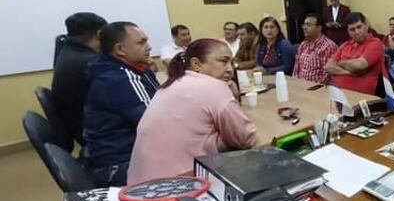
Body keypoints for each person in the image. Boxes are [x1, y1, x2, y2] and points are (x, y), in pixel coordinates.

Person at [127, 39, 257, 185]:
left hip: (137, 188)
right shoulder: (214, 87)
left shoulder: (171, 84)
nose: (230, 69)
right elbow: (245, 139)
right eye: (223, 61)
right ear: (196, 64)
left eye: (231, 62)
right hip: (177, 188)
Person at [83, 22, 160, 186]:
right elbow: (155, 125)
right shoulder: (119, 78)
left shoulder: (135, 68)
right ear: (120, 50)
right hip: (119, 165)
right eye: (141, 43)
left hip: (123, 154)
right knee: (198, 160)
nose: (149, 47)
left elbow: (162, 99)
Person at [51, 12, 107, 144]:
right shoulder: (89, 62)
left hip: (76, 124)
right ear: (100, 34)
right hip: (93, 131)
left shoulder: (67, 50)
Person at [325, 12, 385, 95]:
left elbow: (359, 65)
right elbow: (328, 67)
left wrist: (339, 63)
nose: (357, 32)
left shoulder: (375, 43)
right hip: (336, 93)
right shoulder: (345, 45)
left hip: (359, 97)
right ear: (348, 31)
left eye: (359, 27)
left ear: (366, 26)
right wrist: (350, 72)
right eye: (352, 29)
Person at [293, 13, 338, 84]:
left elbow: (327, 75)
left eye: (308, 25)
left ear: (319, 28)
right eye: (304, 25)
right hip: (301, 87)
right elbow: (296, 69)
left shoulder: (328, 46)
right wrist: (297, 84)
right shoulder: (303, 45)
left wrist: (311, 88)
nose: (304, 27)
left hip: (319, 89)